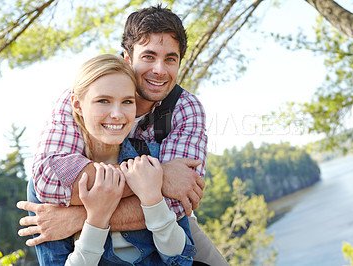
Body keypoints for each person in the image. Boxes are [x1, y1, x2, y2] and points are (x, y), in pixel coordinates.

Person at [17, 5, 229, 266]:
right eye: (149, 56)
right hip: (91, 241)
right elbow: (49, 182)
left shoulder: (185, 109)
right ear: (127, 58)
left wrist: (76, 218)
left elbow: (176, 205)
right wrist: (159, 176)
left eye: (170, 59)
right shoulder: (84, 95)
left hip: (165, 228)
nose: (160, 70)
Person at [48, 53, 195, 265]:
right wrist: (96, 219)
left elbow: (179, 259)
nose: (117, 114)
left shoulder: (152, 161)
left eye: (127, 101)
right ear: (78, 105)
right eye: (103, 101)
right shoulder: (55, 184)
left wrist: (152, 199)